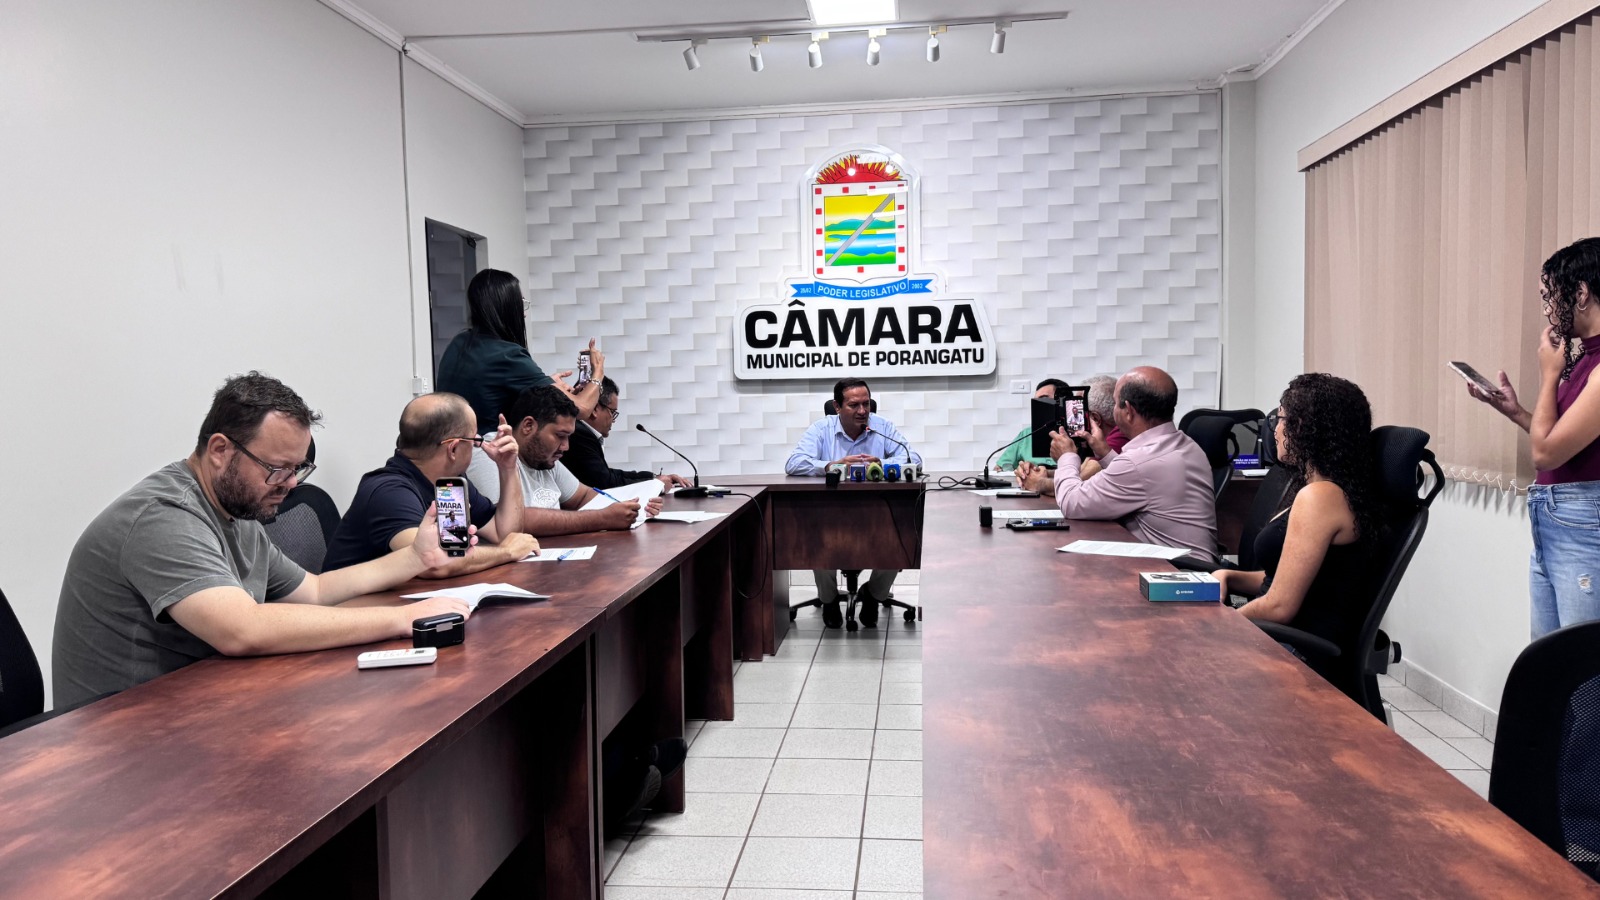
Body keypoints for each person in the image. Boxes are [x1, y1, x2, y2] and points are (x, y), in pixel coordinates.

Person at [52, 373, 477, 707]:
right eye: (277, 469)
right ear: (220, 450)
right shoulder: (164, 517)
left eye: (298, 469)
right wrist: (404, 619)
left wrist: (415, 558)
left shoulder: (237, 510)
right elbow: (243, 629)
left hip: (201, 702)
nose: (291, 484)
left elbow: (315, 590)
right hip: (125, 731)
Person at [1468, 237, 1600, 638]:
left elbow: (1544, 454)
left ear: (1581, 293)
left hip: (1583, 523)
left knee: (1580, 664)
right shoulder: (1587, 357)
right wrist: (1516, 412)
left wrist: (1549, 376)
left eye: (1548, 295)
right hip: (1556, 525)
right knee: (1548, 660)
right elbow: (1559, 441)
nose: (1545, 309)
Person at [1210, 374, 1379, 652]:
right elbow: (1279, 581)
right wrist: (1228, 575)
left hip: (1295, 652)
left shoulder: (1321, 498)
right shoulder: (1324, 490)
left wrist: (1218, 626)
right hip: (1282, 638)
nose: (1275, 431)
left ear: (1301, 427)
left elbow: (1279, 607)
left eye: (1279, 419)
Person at [322, 393, 538, 572]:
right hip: (356, 607)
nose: (477, 446)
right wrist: (505, 552)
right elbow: (432, 563)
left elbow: (504, 533)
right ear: (453, 449)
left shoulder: (450, 483)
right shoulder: (389, 491)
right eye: (474, 440)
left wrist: (508, 468)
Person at [784, 378, 922, 628]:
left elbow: (913, 458)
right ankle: (828, 599)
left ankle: (873, 595)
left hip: (877, 513)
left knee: (901, 541)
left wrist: (881, 463)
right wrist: (831, 465)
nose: (862, 411)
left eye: (866, 404)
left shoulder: (882, 426)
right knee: (817, 543)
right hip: (830, 513)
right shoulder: (821, 429)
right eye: (854, 405)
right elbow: (794, 463)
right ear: (837, 407)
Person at [1048, 366, 1220, 565]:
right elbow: (1143, 480)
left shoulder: (1138, 462)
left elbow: (1071, 503)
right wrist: (1105, 453)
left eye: (1115, 403)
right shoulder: (1187, 445)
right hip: (1195, 565)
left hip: (1176, 571)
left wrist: (1067, 456)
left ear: (1128, 411)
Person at [466, 386, 663, 535]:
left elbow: (582, 496)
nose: (566, 446)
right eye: (560, 436)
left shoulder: (543, 457)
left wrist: (632, 505)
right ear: (528, 426)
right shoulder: (490, 451)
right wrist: (602, 518)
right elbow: (511, 519)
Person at [435, 268, 606, 432]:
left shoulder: (459, 342)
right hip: (489, 447)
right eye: (521, 304)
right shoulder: (508, 355)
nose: (524, 314)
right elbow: (581, 408)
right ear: (508, 307)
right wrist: (598, 372)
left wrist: (543, 384)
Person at [562, 377, 693, 491]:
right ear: (595, 409)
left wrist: (654, 477)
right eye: (612, 412)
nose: (613, 420)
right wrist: (656, 485)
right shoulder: (579, 434)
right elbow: (606, 483)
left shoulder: (582, 431)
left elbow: (607, 474)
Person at [1017, 374, 1124, 492]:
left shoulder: (1120, 437)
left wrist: (1037, 483)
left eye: (1078, 410)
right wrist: (1037, 472)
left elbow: (1075, 487)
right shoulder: (1098, 440)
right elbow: (1079, 472)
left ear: (1095, 419)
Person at [994, 378, 1072, 472]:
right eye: (1035, 401)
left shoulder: (1080, 435)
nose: (1037, 405)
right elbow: (1000, 468)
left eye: (1043, 399)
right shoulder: (1027, 434)